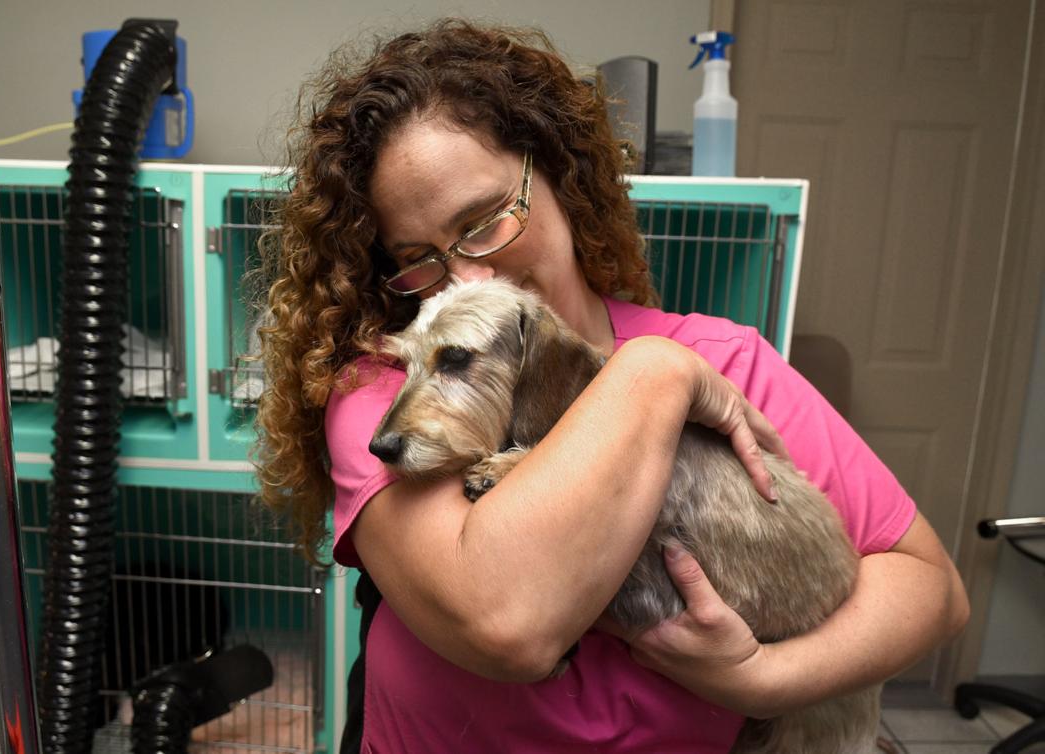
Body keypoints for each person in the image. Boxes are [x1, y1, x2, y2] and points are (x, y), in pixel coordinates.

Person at [256, 19, 970, 752]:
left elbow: (930, 590)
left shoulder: (732, 360)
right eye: (418, 257)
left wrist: (761, 679)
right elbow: (507, 626)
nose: (465, 277)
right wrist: (655, 374)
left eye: (484, 220)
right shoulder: (390, 381)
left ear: (558, 173)